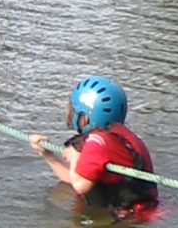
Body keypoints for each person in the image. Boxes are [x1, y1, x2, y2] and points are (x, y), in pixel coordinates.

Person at [29, 75, 159, 221]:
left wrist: (75, 156)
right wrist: (48, 155)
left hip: (129, 217)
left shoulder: (97, 142)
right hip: (140, 212)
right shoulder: (115, 137)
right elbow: (75, 178)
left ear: (86, 117)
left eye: (75, 110)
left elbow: (80, 184)